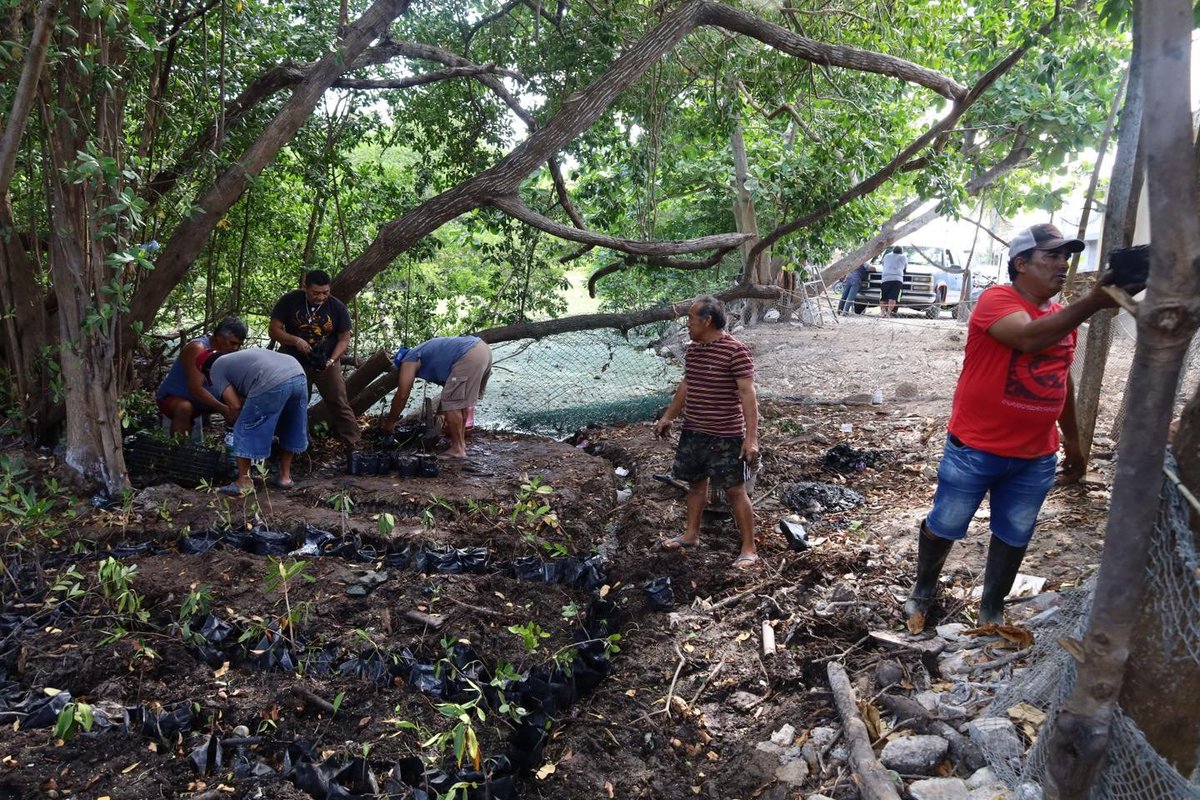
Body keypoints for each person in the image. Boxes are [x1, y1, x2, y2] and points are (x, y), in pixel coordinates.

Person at [904, 223, 1124, 631]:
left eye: (1066, 257)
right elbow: (1026, 338)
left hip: (1035, 456)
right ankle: (922, 591)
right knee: (946, 523)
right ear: (1021, 263)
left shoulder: (1060, 317)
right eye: (1052, 256)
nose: (1062, 265)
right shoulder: (996, 299)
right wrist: (1095, 300)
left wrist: (1073, 440)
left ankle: (992, 608)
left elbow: (1062, 377)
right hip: (976, 447)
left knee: (1015, 532)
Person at [655, 296, 761, 569]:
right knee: (695, 485)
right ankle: (691, 535)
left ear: (707, 321)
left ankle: (749, 547)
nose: (687, 324)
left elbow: (748, 395)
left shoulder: (736, 351)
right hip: (694, 431)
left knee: (735, 491)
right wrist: (669, 416)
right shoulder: (694, 350)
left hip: (726, 435)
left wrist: (751, 439)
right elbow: (687, 385)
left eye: (691, 319)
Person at [269, 269, 361, 448]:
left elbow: (344, 339)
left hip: (326, 360)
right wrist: (295, 340)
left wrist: (333, 360)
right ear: (305, 287)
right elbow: (274, 330)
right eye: (316, 293)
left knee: (339, 401)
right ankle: (296, 445)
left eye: (325, 293)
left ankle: (353, 445)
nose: (321, 297)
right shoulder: (290, 300)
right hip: (293, 362)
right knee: (295, 402)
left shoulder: (336, 307)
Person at [199, 348, 309, 496]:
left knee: (244, 426)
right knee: (289, 426)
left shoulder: (215, 368)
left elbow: (235, 406)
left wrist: (234, 422)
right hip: (298, 373)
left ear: (205, 369)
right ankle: (285, 477)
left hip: (272, 379)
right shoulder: (236, 359)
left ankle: (244, 482)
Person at [380, 336, 492, 458]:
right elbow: (449, 389)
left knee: (452, 403)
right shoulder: (429, 353)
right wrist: (439, 416)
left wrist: (390, 423)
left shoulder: (409, 358)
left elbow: (402, 395)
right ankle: (461, 445)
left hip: (469, 354)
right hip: (483, 350)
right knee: (459, 402)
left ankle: (457, 449)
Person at [156, 317, 247, 435]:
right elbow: (195, 389)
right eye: (233, 343)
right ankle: (178, 448)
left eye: (238, 345)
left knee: (241, 403)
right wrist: (223, 409)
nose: (235, 348)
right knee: (184, 408)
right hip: (174, 398)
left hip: (203, 400)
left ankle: (237, 443)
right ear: (219, 337)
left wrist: (234, 405)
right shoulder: (198, 348)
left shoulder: (226, 354)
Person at [880, 245, 907, 317]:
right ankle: (888, 313)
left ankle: (882, 312)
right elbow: (905, 268)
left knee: (883, 297)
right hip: (897, 279)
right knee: (893, 297)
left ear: (893, 250)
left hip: (885, 278)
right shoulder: (903, 257)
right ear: (901, 251)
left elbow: (883, 264)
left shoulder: (886, 256)